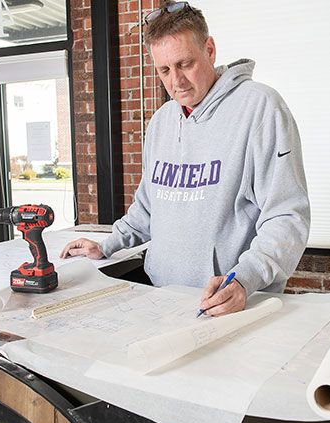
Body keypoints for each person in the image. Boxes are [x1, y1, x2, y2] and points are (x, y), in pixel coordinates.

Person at [61, 1, 310, 317]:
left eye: (185, 64)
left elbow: (287, 216)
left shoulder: (261, 108)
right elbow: (149, 208)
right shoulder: (163, 120)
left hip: (230, 304)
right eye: (164, 70)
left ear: (210, 50)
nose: (176, 81)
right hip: (162, 299)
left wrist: (245, 280)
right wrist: (108, 244)